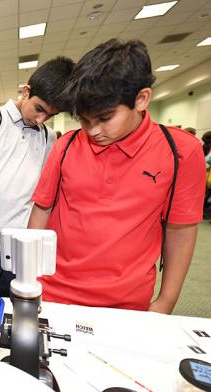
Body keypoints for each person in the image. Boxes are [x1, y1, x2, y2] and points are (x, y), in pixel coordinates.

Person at [28, 39, 206, 313]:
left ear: (141, 99)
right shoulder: (65, 146)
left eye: (104, 118)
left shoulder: (180, 150)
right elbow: (41, 211)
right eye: (84, 120)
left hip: (127, 303)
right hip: (54, 292)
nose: (92, 130)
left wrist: (165, 301)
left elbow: (180, 231)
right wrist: (30, 280)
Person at [0, 57, 75, 296]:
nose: (41, 119)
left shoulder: (48, 137)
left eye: (50, 115)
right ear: (26, 91)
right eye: (39, 108)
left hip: (20, 247)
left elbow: (41, 196)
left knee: (14, 312)